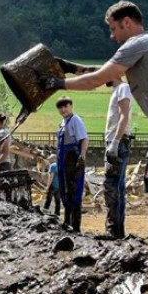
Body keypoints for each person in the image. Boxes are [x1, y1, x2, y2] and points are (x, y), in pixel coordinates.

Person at [40, 1, 148, 247]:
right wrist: (70, 68)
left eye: (114, 29)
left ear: (127, 22)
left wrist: (57, 84)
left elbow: (100, 78)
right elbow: (107, 72)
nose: (113, 36)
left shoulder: (136, 44)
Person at [102, 77, 134, 239]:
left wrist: (115, 142)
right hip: (119, 141)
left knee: (111, 184)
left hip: (118, 141)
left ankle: (113, 229)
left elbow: (124, 115)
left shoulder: (122, 88)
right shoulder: (120, 89)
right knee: (118, 186)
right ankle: (117, 229)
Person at [55, 96, 89, 232]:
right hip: (62, 159)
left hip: (73, 159)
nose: (63, 109)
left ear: (71, 106)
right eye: (60, 107)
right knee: (64, 191)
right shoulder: (62, 123)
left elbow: (84, 139)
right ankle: (66, 221)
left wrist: (82, 156)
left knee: (74, 191)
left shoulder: (76, 120)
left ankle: (76, 226)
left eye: (66, 106)